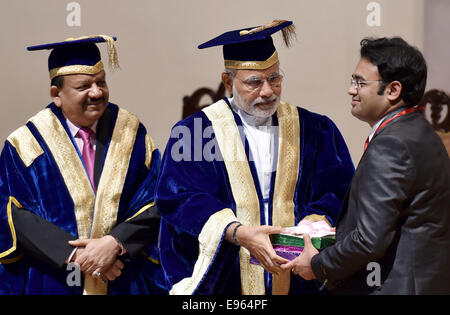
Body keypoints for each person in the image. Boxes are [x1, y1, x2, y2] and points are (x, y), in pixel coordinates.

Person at [155, 20, 355, 295]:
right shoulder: (195, 132)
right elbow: (178, 197)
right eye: (254, 82)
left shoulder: (315, 129)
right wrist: (237, 232)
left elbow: (339, 189)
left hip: (298, 277)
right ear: (228, 82)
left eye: (274, 78)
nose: (268, 91)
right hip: (226, 279)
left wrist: (313, 222)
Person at [0, 35, 166, 295]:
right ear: (56, 94)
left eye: (101, 82)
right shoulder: (26, 144)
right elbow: (12, 212)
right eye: (84, 86)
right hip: (55, 279)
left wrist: (115, 244)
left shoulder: (131, 133)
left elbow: (157, 197)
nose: (97, 93)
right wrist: (77, 256)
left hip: (123, 276)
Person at [284, 37, 450, 294]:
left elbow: (369, 241)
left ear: (393, 90)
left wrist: (317, 265)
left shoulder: (391, 144)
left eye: (360, 83)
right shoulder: (420, 132)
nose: (351, 90)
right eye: (353, 81)